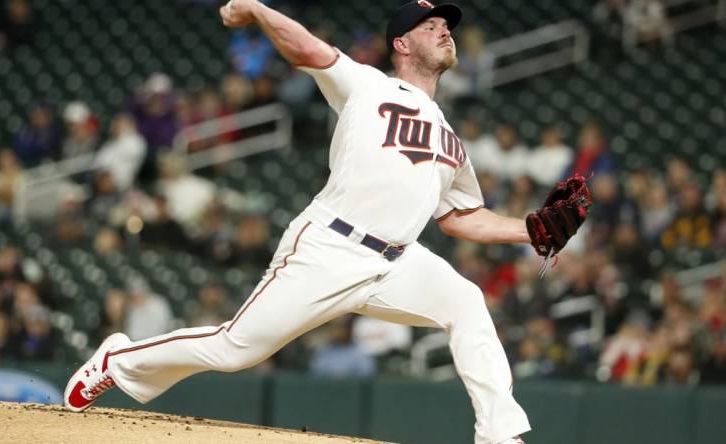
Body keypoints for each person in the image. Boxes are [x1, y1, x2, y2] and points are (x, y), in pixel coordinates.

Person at [65, 2, 533, 443]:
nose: (444, 30)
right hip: (331, 247)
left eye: (445, 26)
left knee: (467, 302)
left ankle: (499, 434)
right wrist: (258, 10)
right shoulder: (369, 85)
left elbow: (461, 217)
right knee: (235, 349)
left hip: (397, 261)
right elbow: (307, 48)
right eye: (429, 26)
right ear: (402, 46)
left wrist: (530, 229)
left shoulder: (450, 138)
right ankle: (117, 359)